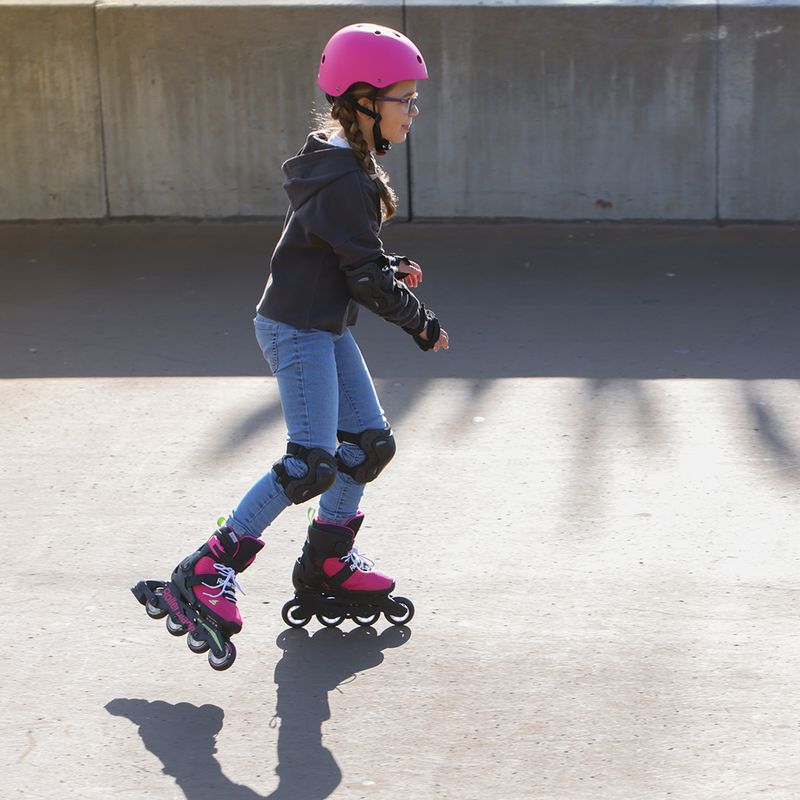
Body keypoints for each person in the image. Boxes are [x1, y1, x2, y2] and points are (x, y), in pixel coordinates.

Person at [167, 23, 449, 645]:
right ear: (365, 101)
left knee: (368, 445)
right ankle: (209, 567)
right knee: (311, 462)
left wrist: (386, 265)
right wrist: (421, 324)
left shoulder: (346, 164)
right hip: (298, 330)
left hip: (321, 322)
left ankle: (328, 562)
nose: (414, 111)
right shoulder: (345, 175)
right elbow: (367, 281)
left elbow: (350, 254)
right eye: (405, 98)